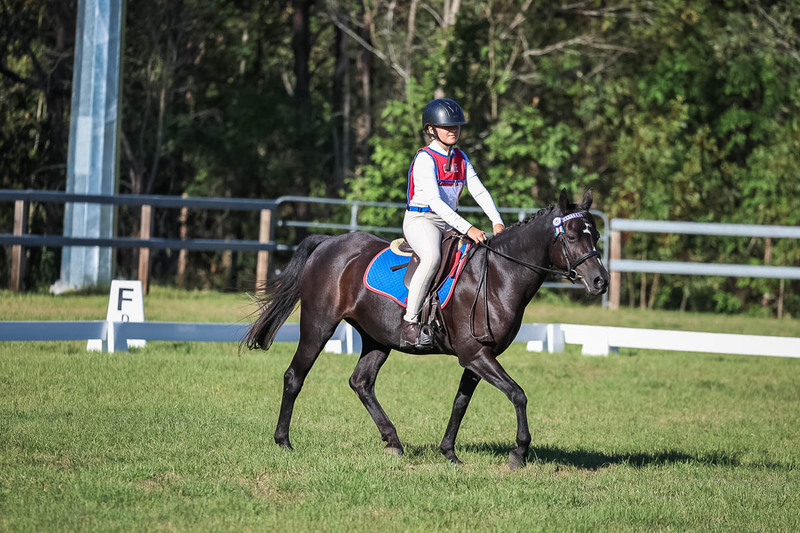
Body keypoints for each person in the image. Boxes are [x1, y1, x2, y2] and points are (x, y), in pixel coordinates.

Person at [401, 98, 505, 349]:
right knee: (432, 258)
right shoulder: (425, 159)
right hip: (422, 219)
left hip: (449, 222)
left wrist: (497, 221)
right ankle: (410, 323)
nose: (453, 130)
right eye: (446, 126)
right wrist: (468, 228)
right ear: (431, 129)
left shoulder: (461, 158)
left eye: (456, 126)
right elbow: (435, 202)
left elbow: (479, 191)